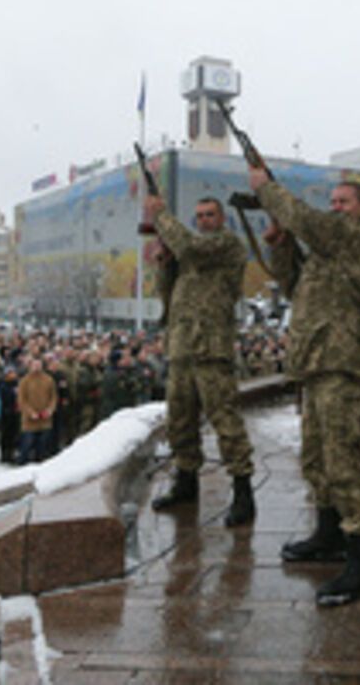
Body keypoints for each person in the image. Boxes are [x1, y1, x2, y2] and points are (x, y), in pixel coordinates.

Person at [251, 169, 360, 607]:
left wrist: (266, 189)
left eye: (343, 202)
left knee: (342, 457)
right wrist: (282, 246)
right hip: (316, 361)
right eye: (332, 202)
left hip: (338, 360)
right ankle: (329, 534)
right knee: (317, 456)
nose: (335, 209)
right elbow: (294, 286)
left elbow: (308, 220)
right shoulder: (330, 252)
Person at [143, 194, 257, 527]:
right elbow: (167, 295)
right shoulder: (187, 252)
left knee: (225, 420)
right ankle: (186, 480)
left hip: (211, 346)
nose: (204, 220)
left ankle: (243, 490)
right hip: (181, 346)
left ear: (221, 219)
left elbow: (192, 247)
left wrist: (161, 214)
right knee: (180, 418)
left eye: (209, 214)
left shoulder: (226, 245)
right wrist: (165, 264)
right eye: (199, 216)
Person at [17, 357, 57, 464]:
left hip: (45, 419)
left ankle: (40, 464)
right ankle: (22, 465)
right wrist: (30, 412)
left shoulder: (49, 380)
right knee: (27, 444)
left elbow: (53, 398)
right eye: (34, 365)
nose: (37, 367)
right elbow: (21, 400)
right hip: (29, 420)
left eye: (39, 365)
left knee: (43, 445)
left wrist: (50, 410)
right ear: (30, 366)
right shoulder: (24, 381)